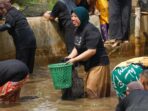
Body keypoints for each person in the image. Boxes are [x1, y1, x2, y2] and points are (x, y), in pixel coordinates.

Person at [66, 7, 110, 98]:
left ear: (82, 17)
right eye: (72, 16)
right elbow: (77, 46)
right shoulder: (77, 29)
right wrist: (69, 57)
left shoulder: (91, 30)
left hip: (99, 64)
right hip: (90, 64)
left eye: (75, 16)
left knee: (92, 91)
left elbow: (91, 51)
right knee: (89, 92)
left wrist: (74, 60)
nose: (72, 19)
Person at [0, 1, 36, 73]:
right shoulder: (17, 12)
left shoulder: (10, 14)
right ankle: (31, 82)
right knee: (29, 68)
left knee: (20, 67)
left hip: (23, 43)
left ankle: (24, 83)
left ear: (3, 8)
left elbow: (8, 25)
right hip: (32, 40)